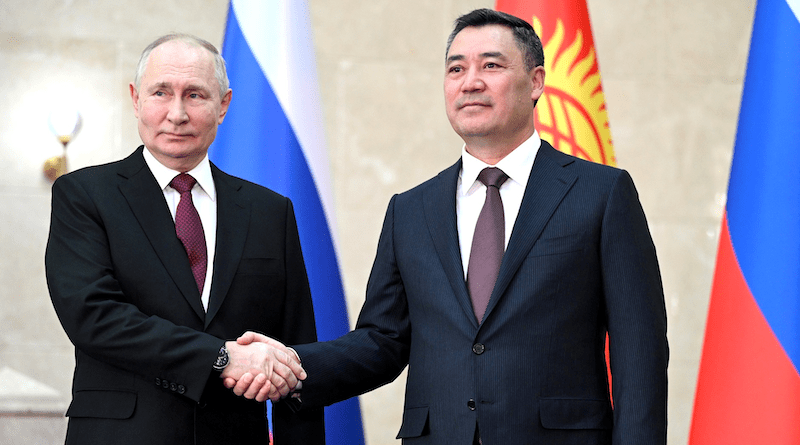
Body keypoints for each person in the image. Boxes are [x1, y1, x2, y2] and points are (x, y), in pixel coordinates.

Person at [233, 8, 668, 445]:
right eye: (456, 68)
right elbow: (382, 342)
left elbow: (640, 350)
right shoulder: (410, 210)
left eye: (491, 65)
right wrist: (291, 363)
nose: (470, 81)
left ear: (536, 82)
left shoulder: (601, 193)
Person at [45, 34, 324, 444]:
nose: (177, 113)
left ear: (224, 105)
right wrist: (221, 359)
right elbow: (94, 317)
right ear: (136, 98)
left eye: (195, 95)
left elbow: (295, 354)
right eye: (161, 92)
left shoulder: (271, 212)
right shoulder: (84, 195)